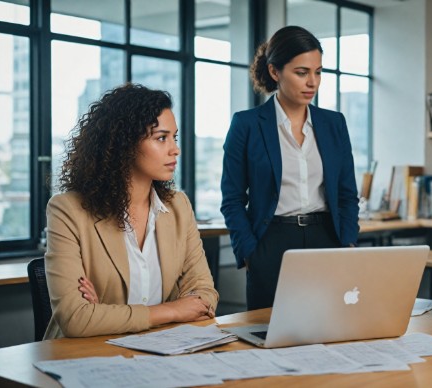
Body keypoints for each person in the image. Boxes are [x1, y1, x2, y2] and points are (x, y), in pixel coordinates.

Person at [45, 83, 218, 339]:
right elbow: (76, 319)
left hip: (162, 351)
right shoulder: (68, 210)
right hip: (86, 357)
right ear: (124, 143)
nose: (175, 149)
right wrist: (172, 310)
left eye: (175, 137)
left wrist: (105, 313)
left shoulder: (178, 207)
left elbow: (204, 295)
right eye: (161, 138)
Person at [220, 26, 360, 310]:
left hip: (327, 240)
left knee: (329, 327)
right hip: (271, 243)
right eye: (301, 72)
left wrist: (347, 242)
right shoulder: (246, 125)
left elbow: (347, 194)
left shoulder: (334, 124)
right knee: (269, 335)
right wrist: (250, 252)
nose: (312, 82)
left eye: (318, 72)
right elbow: (232, 198)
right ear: (275, 72)